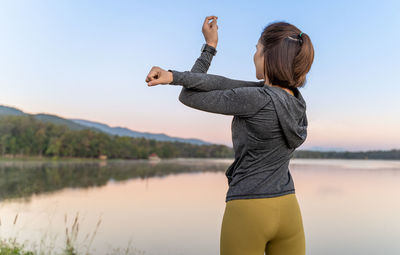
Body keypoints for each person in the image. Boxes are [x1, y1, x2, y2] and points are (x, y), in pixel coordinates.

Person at [145, 15, 314, 255]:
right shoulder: (297, 102)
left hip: (249, 209)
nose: (254, 55)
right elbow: (224, 82)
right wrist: (175, 75)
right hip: (288, 208)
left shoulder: (255, 98)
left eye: (257, 49)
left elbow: (189, 95)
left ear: (269, 56)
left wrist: (208, 50)